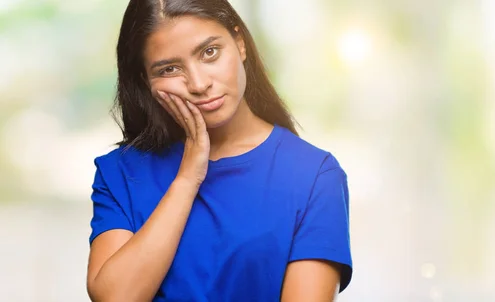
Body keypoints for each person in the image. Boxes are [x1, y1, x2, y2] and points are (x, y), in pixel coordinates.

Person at [86, 0, 352, 301]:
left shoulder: (314, 176)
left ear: (239, 43)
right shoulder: (120, 173)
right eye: (169, 68)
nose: (199, 84)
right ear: (146, 81)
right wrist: (187, 179)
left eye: (209, 52)